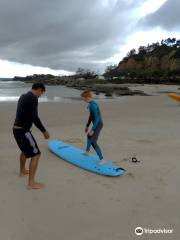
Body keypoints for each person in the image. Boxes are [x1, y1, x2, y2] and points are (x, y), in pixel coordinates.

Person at [13, 83, 50, 190]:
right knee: (36, 155)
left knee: (24, 151)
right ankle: (31, 183)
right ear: (39, 90)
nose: (41, 95)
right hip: (23, 131)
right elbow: (35, 117)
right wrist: (44, 131)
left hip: (16, 129)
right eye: (42, 93)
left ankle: (22, 171)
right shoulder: (33, 98)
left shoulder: (23, 96)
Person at [81, 90, 105, 165]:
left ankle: (102, 159)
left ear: (87, 97)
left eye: (83, 98)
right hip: (96, 124)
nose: (83, 100)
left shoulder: (93, 105)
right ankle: (87, 152)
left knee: (93, 142)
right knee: (89, 136)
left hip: (98, 124)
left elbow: (97, 119)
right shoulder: (90, 104)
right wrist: (87, 126)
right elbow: (91, 116)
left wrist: (92, 129)